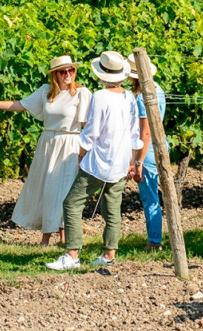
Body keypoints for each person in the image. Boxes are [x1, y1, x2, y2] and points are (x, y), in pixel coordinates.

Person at [0, 55, 92, 247]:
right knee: (47, 189)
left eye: (70, 70)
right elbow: (20, 105)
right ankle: (46, 238)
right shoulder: (47, 92)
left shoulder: (81, 93)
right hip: (47, 144)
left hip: (70, 143)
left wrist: (84, 154)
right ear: (55, 75)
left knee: (64, 190)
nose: (67, 74)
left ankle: (64, 238)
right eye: (63, 71)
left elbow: (86, 125)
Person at [46, 51, 143, 270]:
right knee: (112, 208)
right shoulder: (129, 97)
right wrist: (132, 160)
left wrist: (81, 156)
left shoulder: (100, 96)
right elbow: (134, 133)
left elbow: (91, 132)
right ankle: (109, 254)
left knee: (71, 203)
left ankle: (72, 255)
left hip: (99, 162)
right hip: (120, 162)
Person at [127, 52, 166, 251]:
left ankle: (154, 242)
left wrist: (137, 161)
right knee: (154, 197)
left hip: (148, 153)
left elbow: (146, 132)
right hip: (159, 148)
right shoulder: (158, 89)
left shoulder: (143, 97)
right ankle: (155, 240)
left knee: (150, 197)